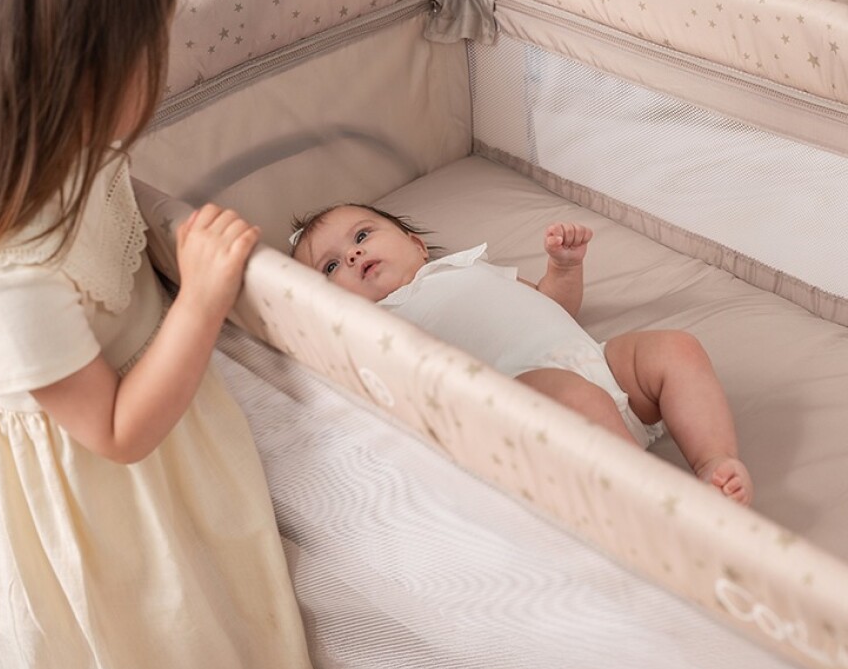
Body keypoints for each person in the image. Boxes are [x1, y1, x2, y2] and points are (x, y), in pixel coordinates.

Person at [0, 0, 323, 669]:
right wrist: (202, 297)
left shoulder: (78, 148)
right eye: (150, 58)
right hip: (111, 504)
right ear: (80, 82)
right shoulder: (0, 276)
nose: (164, 72)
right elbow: (117, 432)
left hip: (168, 436)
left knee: (239, 635)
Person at [290, 203, 752, 505]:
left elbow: (551, 304)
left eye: (362, 236)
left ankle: (713, 462)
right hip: (525, 402)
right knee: (578, 398)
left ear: (416, 244)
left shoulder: (467, 266)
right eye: (330, 266)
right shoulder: (376, 324)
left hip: (593, 362)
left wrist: (563, 268)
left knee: (676, 348)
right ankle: (659, 506)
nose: (352, 256)